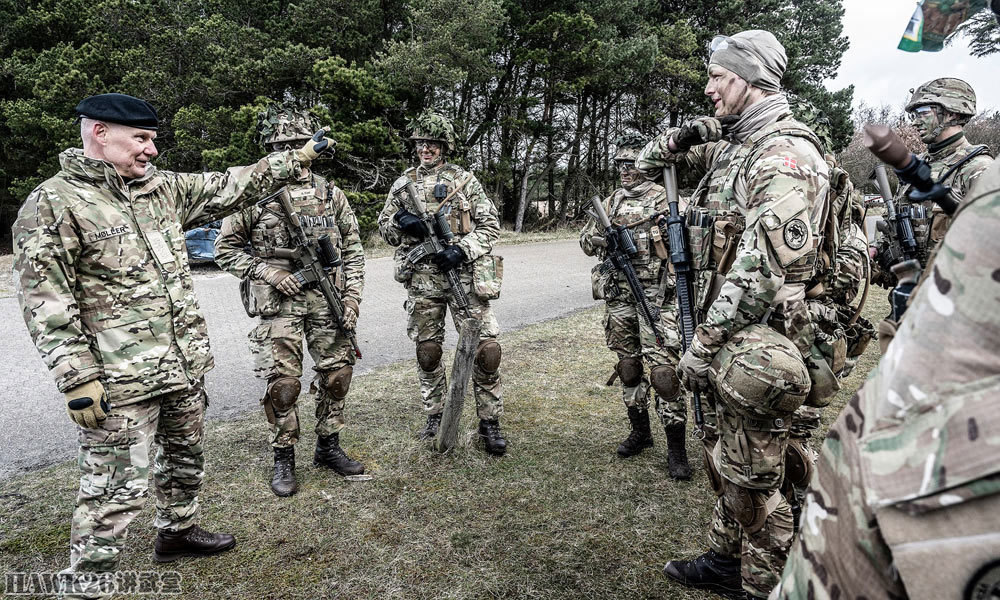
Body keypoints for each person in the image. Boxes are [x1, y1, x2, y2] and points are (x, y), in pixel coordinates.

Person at [12, 93, 331, 599]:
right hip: (119, 382)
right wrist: (77, 377)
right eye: (140, 139)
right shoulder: (53, 204)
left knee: (185, 458)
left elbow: (231, 184)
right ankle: (86, 585)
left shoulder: (161, 190)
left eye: (152, 141)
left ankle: (177, 532)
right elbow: (46, 304)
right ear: (100, 133)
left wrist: (299, 157)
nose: (151, 151)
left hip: (181, 367)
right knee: (114, 491)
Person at [637, 30, 836, 599]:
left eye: (718, 78)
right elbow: (651, 164)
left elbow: (760, 272)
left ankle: (763, 585)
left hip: (760, 345)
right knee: (727, 458)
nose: (708, 90)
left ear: (749, 79)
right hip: (732, 335)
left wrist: (700, 346)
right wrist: (685, 135)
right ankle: (727, 558)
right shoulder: (734, 144)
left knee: (756, 479)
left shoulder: (782, 155)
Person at [770, 157, 1000, 600]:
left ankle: (802, 500)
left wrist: (810, 296)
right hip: (905, 328)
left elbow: (847, 287)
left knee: (806, 430)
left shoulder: (846, 235)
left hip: (833, 335)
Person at [214, 103, 365, 497]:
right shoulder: (250, 197)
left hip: (328, 301)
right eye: (284, 145)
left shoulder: (331, 194)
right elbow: (224, 249)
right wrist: (271, 273)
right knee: (283, 385)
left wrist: (351, 299)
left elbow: (354, 251)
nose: (294, 151)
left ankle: (329, 447)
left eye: (299, 143)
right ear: (270, 150)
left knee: (337, 376)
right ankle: (284, 457)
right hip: (279, 304)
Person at [376, 110, 507, 455]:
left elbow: (491, 226)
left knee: (487, 350)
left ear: (444, 146)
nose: (426, 149)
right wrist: (402, 222)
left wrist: (462, 250)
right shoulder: (402, 184)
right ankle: (435, 415)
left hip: (464, 277)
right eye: (420, 143)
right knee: (428, 352)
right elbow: (384, 229)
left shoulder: (464, 181)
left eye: (432, 143)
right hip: (423, 280)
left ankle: (489, 422)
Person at [579, 133, 691, 479]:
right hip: (620, 298)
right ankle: (640, 432)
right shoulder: (609, 203)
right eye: (620, 165)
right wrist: (603, 239)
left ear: (647, 165)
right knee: (628, 366)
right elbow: (585, 241)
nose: (625, 171)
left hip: (658, 298)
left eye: (631, 164)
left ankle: (677, 449)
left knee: (663, 374)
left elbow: (690, 249)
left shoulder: (668, 201)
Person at [871, 77, 993, 289]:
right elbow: (894, 223)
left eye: (923, 113)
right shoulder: (916, 165)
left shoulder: (978, 169)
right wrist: (877, 250)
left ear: (952, 113)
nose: (914, 121)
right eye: (913, 115)